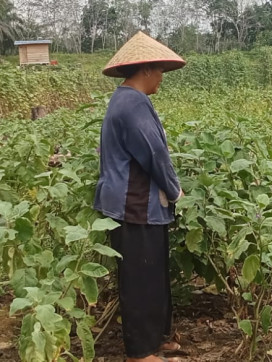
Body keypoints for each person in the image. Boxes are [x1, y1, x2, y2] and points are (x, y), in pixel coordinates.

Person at [93, 31, 185, 362]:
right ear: (146, 69)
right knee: (140, 279)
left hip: (139, 205)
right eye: (159, 70)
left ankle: (153, 340)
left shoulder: (125, 99)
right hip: (135, 206)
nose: (162, 77)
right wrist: (175, 189)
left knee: (152, 275)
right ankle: (140, 352)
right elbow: (154, 154)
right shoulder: (132, 104)